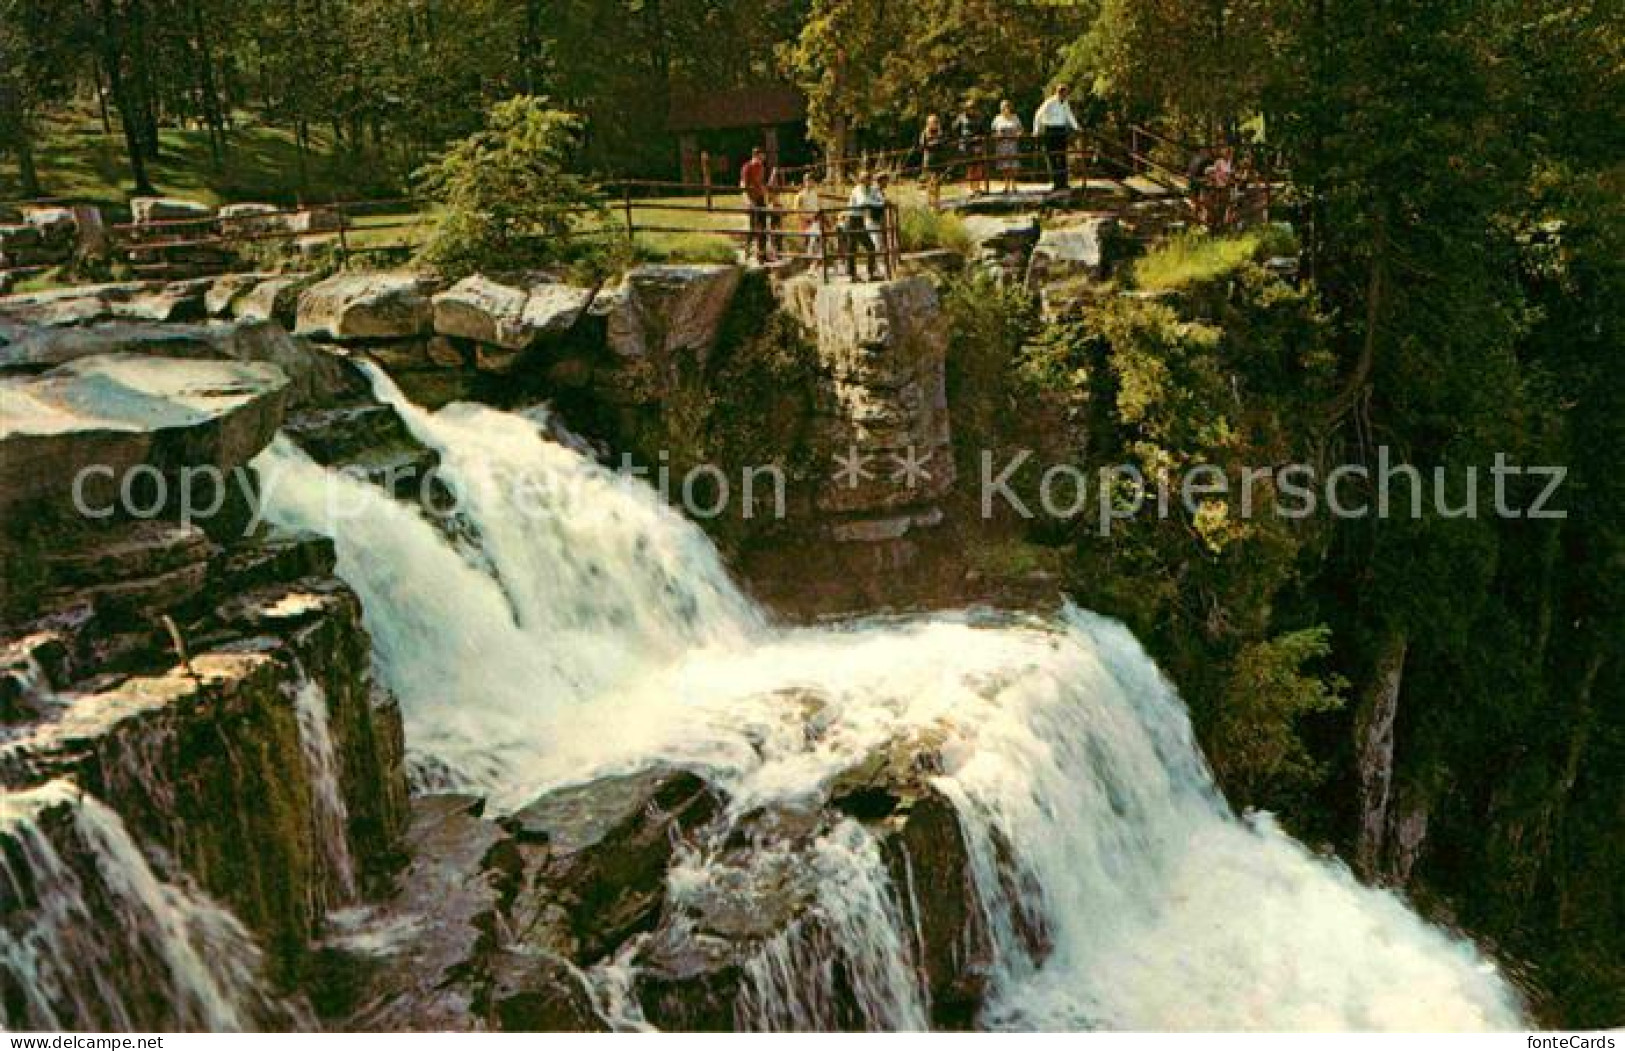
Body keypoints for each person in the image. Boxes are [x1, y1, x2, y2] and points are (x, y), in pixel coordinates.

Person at [1032, 84, 1081, 191]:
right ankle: (1056, 182)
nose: (1065, 96)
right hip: (1050, 130)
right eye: (1063, 94)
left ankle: (1064, 182)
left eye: (1066, 94)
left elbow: (1069, 115)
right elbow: (1038, 114)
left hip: (1061, 130)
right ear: (1058, 93)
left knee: (1062, 156)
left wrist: (1077, 127)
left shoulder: (1065, 103)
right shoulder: (1049, 102)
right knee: (1052, 157)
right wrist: (1036, 130)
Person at [843, 171, 883, 281]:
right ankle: (856, 275)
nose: (870, 181)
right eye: (868, 179)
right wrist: (877, 204)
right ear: (863, 180)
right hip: (852, 220)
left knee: (859, 247)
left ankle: (866, 274)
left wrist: (877, 202)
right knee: (858, 248)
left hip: (858, 220)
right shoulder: (858, 189)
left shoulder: (866, 189)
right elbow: (862, 202)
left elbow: (877, 199)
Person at [739, 147, 772, 262]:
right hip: (752, 200)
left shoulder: (761, 167)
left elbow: (760, 182)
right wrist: (748, 201)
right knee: (753, 227)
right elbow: (743, 184)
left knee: (763, 227)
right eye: (762, 156)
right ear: (757, 155)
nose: (764, 158)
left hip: (760, 198)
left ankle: (761, 255)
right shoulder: (747, 167)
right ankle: (747, 252)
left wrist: (764, 192)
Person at [992, 99, 1024, 194]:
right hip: (1002, 145)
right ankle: (1006, 187)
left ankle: (1014, 187)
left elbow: (1021, 129)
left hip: (1013, 144)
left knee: (1013, 166)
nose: (1005, 109)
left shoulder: (1015, 117)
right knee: (1004, 167)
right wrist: (997, 135)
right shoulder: (997, 118)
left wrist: (1018, 134)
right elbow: (993, 132)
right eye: (1003, 107)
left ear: (1010, 108)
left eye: (1007, 107)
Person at [792, 173, 825, 262]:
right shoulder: (800, 195)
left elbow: (818, 206)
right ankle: (810, 262)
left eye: (811, 180)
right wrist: (804, 218)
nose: (809, 182)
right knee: (811, 242)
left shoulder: (815, 193)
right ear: (804, 181)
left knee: (817, 242)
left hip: (815, 220)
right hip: (806, 221)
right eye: (807, 180)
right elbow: (795, 209)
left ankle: (814, 263)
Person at [918, 114, 946, 207]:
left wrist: (935, 143)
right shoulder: (925, 132)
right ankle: (930, 201)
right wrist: (934, 143)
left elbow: (943, 143)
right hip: (929, 159)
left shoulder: (940, 132)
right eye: (932, 122)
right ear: (928, 123)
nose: (934, 124)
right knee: (930, 182)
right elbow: (922, 145)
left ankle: (937, 201)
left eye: (935, 122)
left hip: (938, 159)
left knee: (937, 182)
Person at [952, 101, 981, 183]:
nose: (971, 110)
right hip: (966, 144)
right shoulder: (961, 117)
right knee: (969, 166)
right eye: (969, 108)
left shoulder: (978, 117)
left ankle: (977, 188)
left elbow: (983, 130)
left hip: (976, 144)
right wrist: (959, 138)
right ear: (966, 108)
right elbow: (954, 128)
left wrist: (980, 136)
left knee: (977, 165)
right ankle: (973, 188)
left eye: (973, 108)